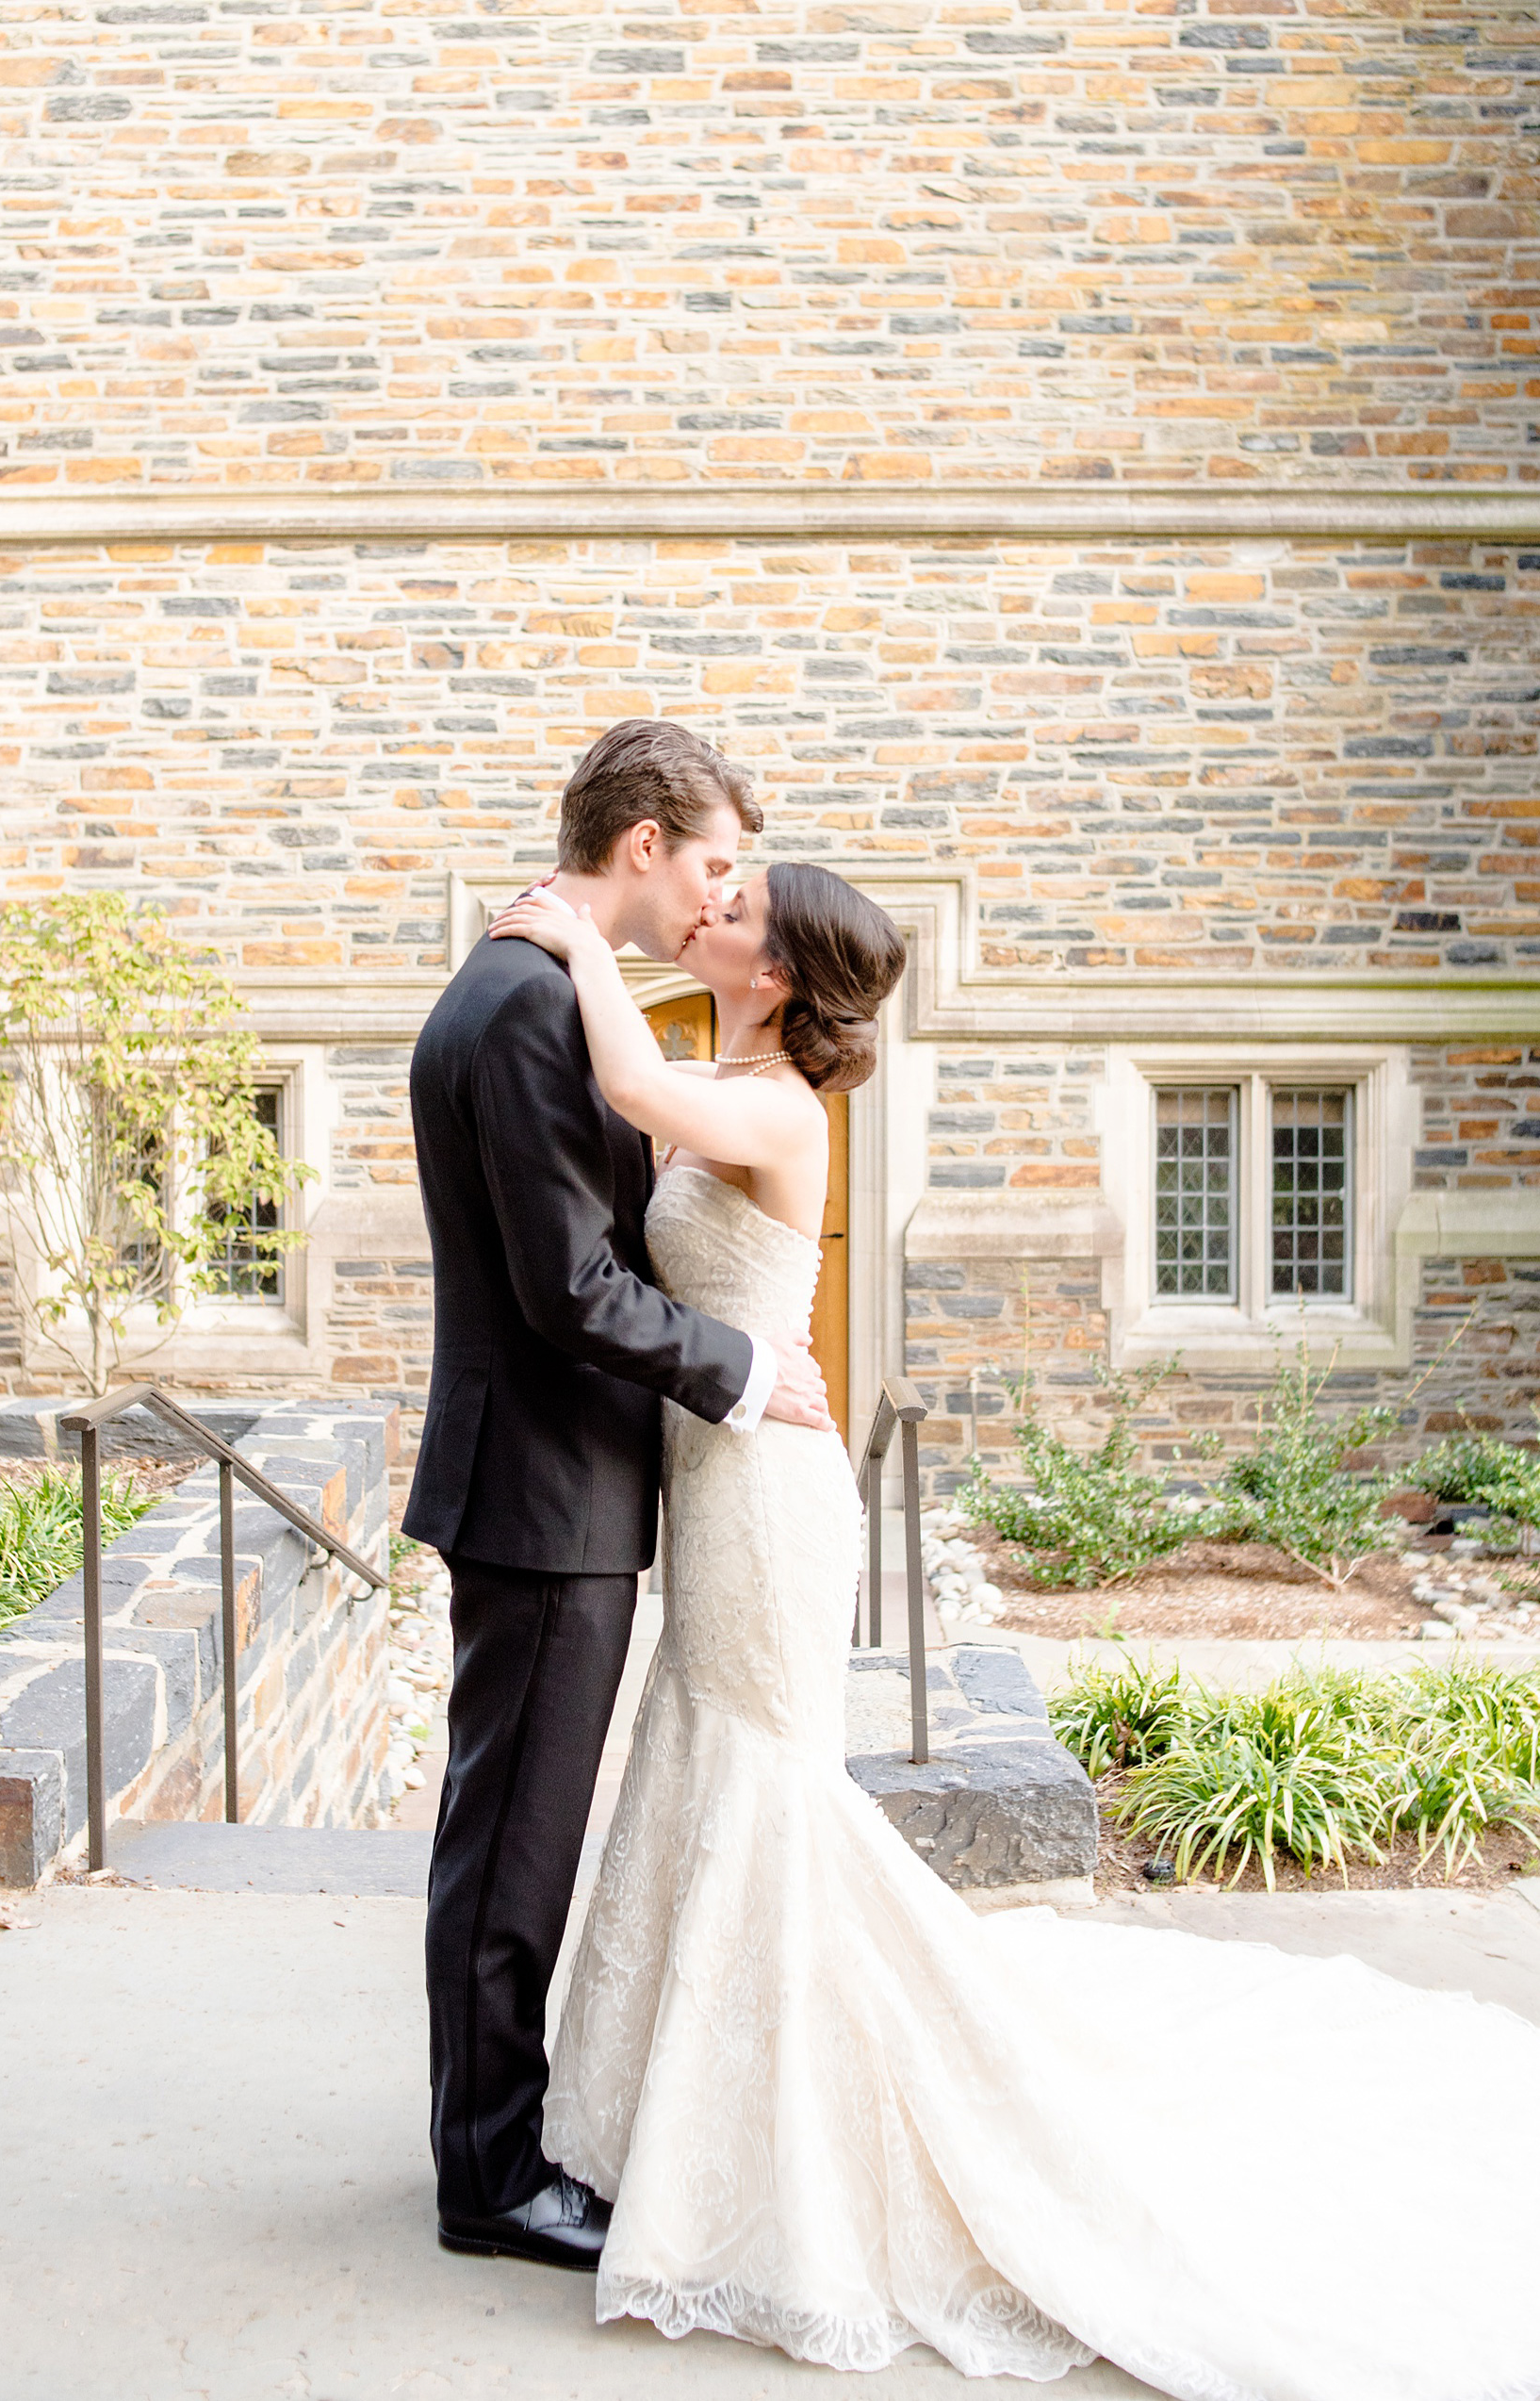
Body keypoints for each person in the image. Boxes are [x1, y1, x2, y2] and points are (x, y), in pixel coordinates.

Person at [489, 858, 1540, 2399]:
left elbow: (622, 1069)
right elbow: (629, 1103)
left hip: (769, 1495)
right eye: (711, 886)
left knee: (768, 1787)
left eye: (737, 904)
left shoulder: (778, 1103)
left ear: (775, 973)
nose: (707, 903)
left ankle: (801, 2139)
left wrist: (574, 930)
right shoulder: (722, 1055)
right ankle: (684, 2115)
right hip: (717, 1473)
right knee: (709, 1764)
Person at [402, 720, 833, 2273]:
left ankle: (489, 2136)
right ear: (641, 845)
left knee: (508, 1835)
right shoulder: (526, 1005)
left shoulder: (540, 983)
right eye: (712, 862)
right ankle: (492, 2178)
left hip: (556, 1483)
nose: (718, 894)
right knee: (514, 1849)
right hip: (544, 1490)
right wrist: (735, 1365)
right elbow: (573, 1289)